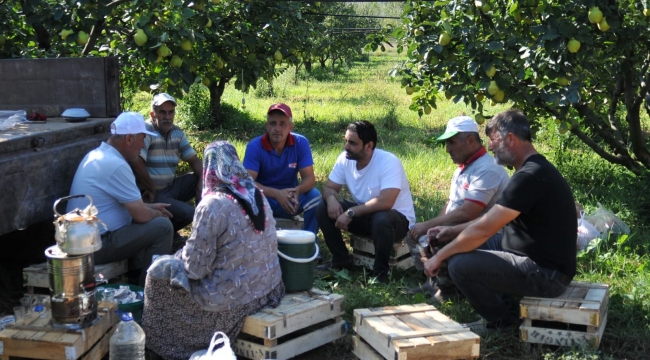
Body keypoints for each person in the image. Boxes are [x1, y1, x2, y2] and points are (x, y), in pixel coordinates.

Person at [423, 110, 576, 331]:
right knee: (459, 245)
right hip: (533, 258)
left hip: (547, 275)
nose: (491, 147)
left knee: (459, 264)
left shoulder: (528, 177)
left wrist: (439, 256)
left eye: (493, 140)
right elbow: (491, 219)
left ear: (510, 139)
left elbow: (484, 229)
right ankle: (508, 307)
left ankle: (502, 321)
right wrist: (452, 231)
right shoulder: (533, 169)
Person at [142, 141, 285, 360]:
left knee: (157, 278)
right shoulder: (257, 194)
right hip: (268, 287)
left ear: (209, 168)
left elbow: (195, 269)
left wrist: (174, 258)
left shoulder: (212, 205)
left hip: (232, 300)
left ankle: (162, 346)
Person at [406, 116, 509, 300]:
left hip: (487, 233)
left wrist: (433, 227)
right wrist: (429, 228)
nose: (448, 149)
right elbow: (450, 204)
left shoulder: (487, 169)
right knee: (416, 235)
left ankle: (449, 292)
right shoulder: (463, 168)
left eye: (452, 142)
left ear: (470, 140)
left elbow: (468, 212)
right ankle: (433, 283)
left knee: (442, 236)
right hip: (464, 226)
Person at [67, 112, 174, 286]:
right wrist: (155, 213)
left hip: (85, 240)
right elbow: (141, 215)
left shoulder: (98, 155)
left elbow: (123, 206)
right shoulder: (116, 165)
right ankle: (151, 292)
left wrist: (151, 208)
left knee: (145, 222)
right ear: (129, 139)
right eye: (142, 138)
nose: (143, 145)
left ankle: (135, 276)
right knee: (163, 227)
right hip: (95, 246)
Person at [316, 120, 415, 284]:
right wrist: (332, 199)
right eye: (346, 141)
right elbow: (329, 188)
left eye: (352, 143)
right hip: (366, 216)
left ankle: (380, 274)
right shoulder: (345, 159)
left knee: (381, 218)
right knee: (322, 206)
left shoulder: (389, 162)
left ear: (369, 146)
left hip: (396, 221)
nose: (346, 146)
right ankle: (341, 261)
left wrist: (350, 212)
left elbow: (386, 202)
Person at [128, 93, 203, 237]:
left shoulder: (177, 133)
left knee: (202, 179)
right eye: (162, 112)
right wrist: (150, 188)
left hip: (170, 188)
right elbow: (136, 161)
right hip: (151, 193)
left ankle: (202, 228)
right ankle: (165, 233)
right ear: (152, 114)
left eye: (171, 112)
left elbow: (194, 160)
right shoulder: (147, 131)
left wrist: (202, 180)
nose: (167, 117)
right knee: (189, 213)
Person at [243, 103, 321, 236]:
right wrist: (277, 194)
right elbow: (247, 183)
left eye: (282, 124)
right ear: (266, 126)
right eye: (272, 123)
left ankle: (310, 244)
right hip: (265, 199)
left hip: (291, 199)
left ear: (291, 127)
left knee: (315, 197)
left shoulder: (301, 143)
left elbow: (309, 178)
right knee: (247, 198)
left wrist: (297, 191)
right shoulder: (255, 146)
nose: (277, 128)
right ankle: (256, 245)